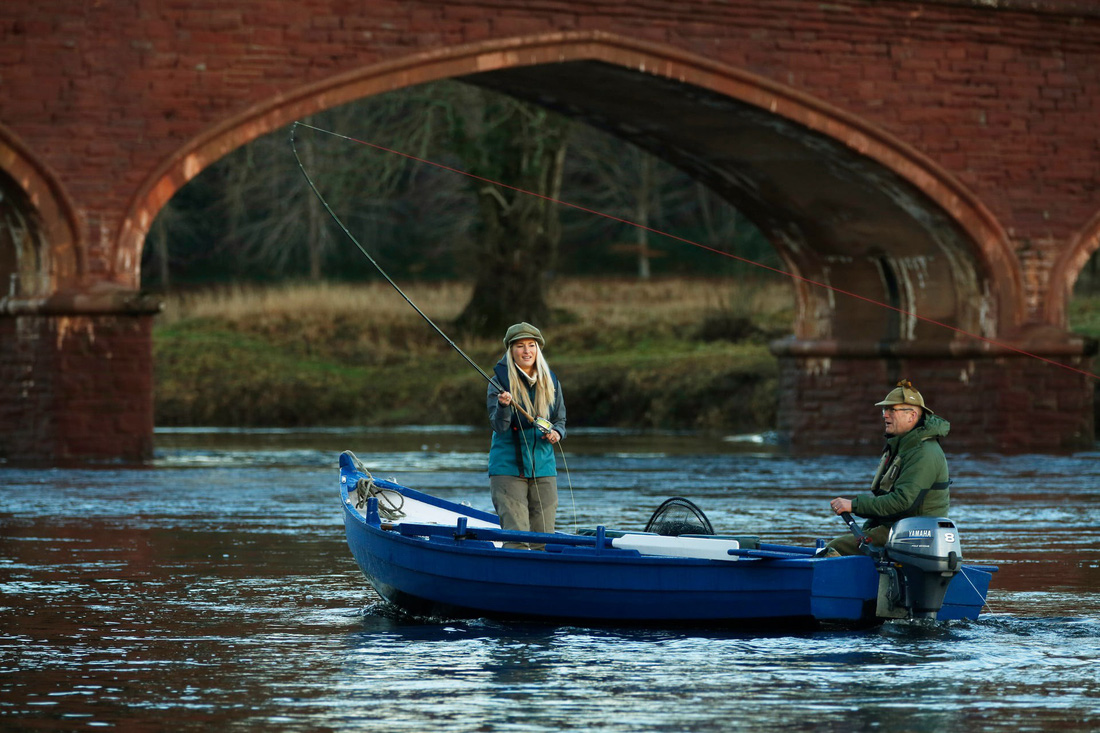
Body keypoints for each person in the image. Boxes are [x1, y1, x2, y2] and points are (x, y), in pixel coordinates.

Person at [821, 380, 951, 557]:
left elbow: (902, 501)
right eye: (884, 410)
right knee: (840, 546)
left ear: (911, 416)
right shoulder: (904, 446)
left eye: (892, 410)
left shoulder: (923, 452)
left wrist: (854, 505)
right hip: (898, 527)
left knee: (834, 549)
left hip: (913, 532)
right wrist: (868, 528)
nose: (885, 415)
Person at [487, 322, 566, 549]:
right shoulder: (498, 382)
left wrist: (557, 433)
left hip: (544, 468)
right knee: (518, 541)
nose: (526, 351)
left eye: (531, 345)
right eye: (520, 346)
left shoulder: (551, 381)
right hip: (507, 469)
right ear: (511, 350)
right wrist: (503, 406)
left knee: (545, 541)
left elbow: (560, 420)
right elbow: (498, 426)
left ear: (538, 349)